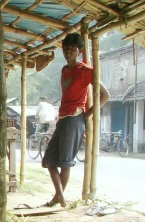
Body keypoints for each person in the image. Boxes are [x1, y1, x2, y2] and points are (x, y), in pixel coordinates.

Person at [41, 33, 109, 207]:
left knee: (64, 162)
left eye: (72, 49)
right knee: (49, 160)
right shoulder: (65, 70)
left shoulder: (85, 70)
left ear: (79, 50)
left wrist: (87, 115)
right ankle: (60, 197)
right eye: (66, 48)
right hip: (63, 119)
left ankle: (59, 199)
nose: (68, 51)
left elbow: (105, 95)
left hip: (74, 119)